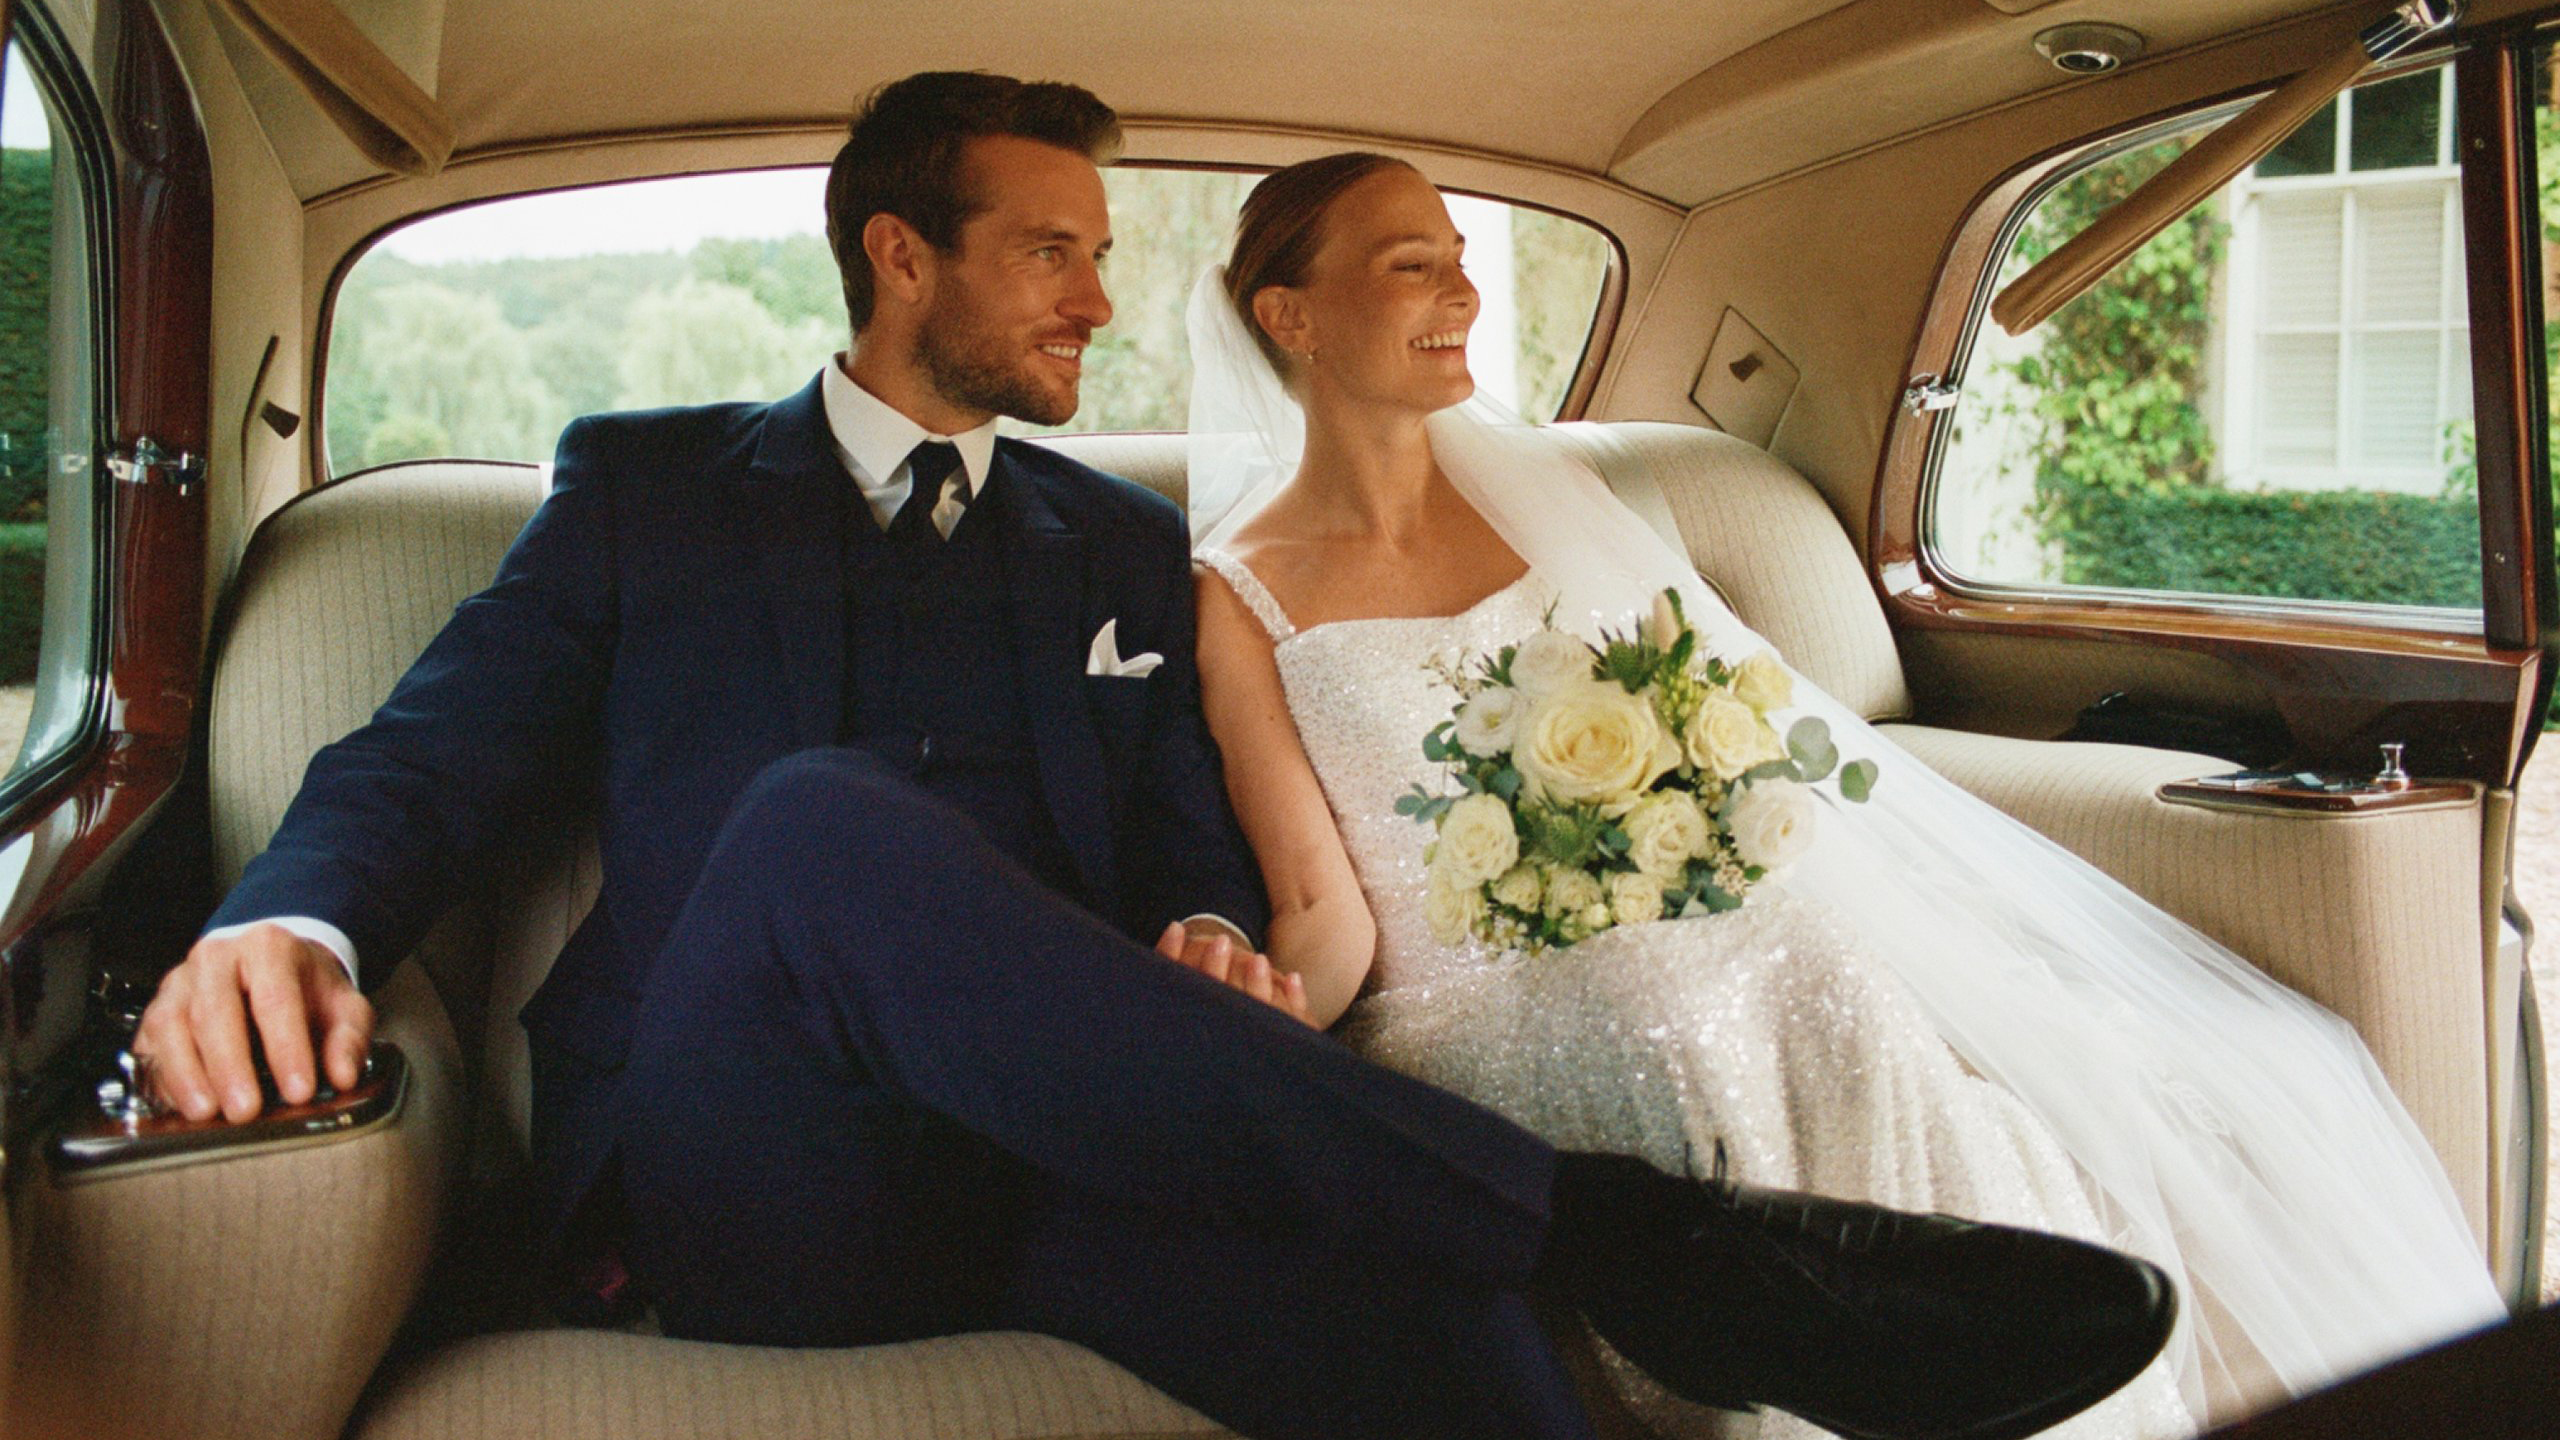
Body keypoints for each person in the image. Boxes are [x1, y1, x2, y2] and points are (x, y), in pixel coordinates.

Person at [129, 77, 2177, 1440]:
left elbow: (1201, 843)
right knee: (819, 825)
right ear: (895, 258)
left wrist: (1205, 925)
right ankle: (1642, 1240)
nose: (1101, 299)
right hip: (755, 1166)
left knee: (1433, 1335)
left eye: (1108, 254)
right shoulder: (647, 493)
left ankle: (1596, 1264)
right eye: (1049, 250)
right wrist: (284, 916)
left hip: (1072, 1158)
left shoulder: (1120, 547)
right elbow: (425, 756)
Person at [1182, 151, 2510, 1439]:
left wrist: (1698, 845)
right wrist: (1246, 1008)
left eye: (1464, 262)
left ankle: (1956, 1365)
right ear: (1288, 314)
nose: (1462, 294)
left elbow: (1725, 745)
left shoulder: (1560, 500)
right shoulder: (1239, 590)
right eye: (1415, 265)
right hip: (1460, 1005)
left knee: (1817, 959)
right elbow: (1322, 906)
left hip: (1680, 928)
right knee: (1673, 1006)